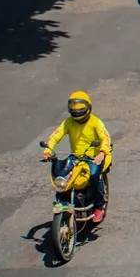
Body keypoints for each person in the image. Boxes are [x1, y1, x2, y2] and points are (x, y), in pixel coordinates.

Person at [41, 91, 112, 223]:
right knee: (64, 177)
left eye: (80, 110)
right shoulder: (68, 122)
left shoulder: (96, 122)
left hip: (94, 157)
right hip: (77, 157)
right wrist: (48, 150)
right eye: (74, 109)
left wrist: (102, 153)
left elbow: (105, 138)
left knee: (94, 176)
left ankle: (99, 206)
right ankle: (64, 201)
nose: (77, 112)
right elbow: (56, 135)